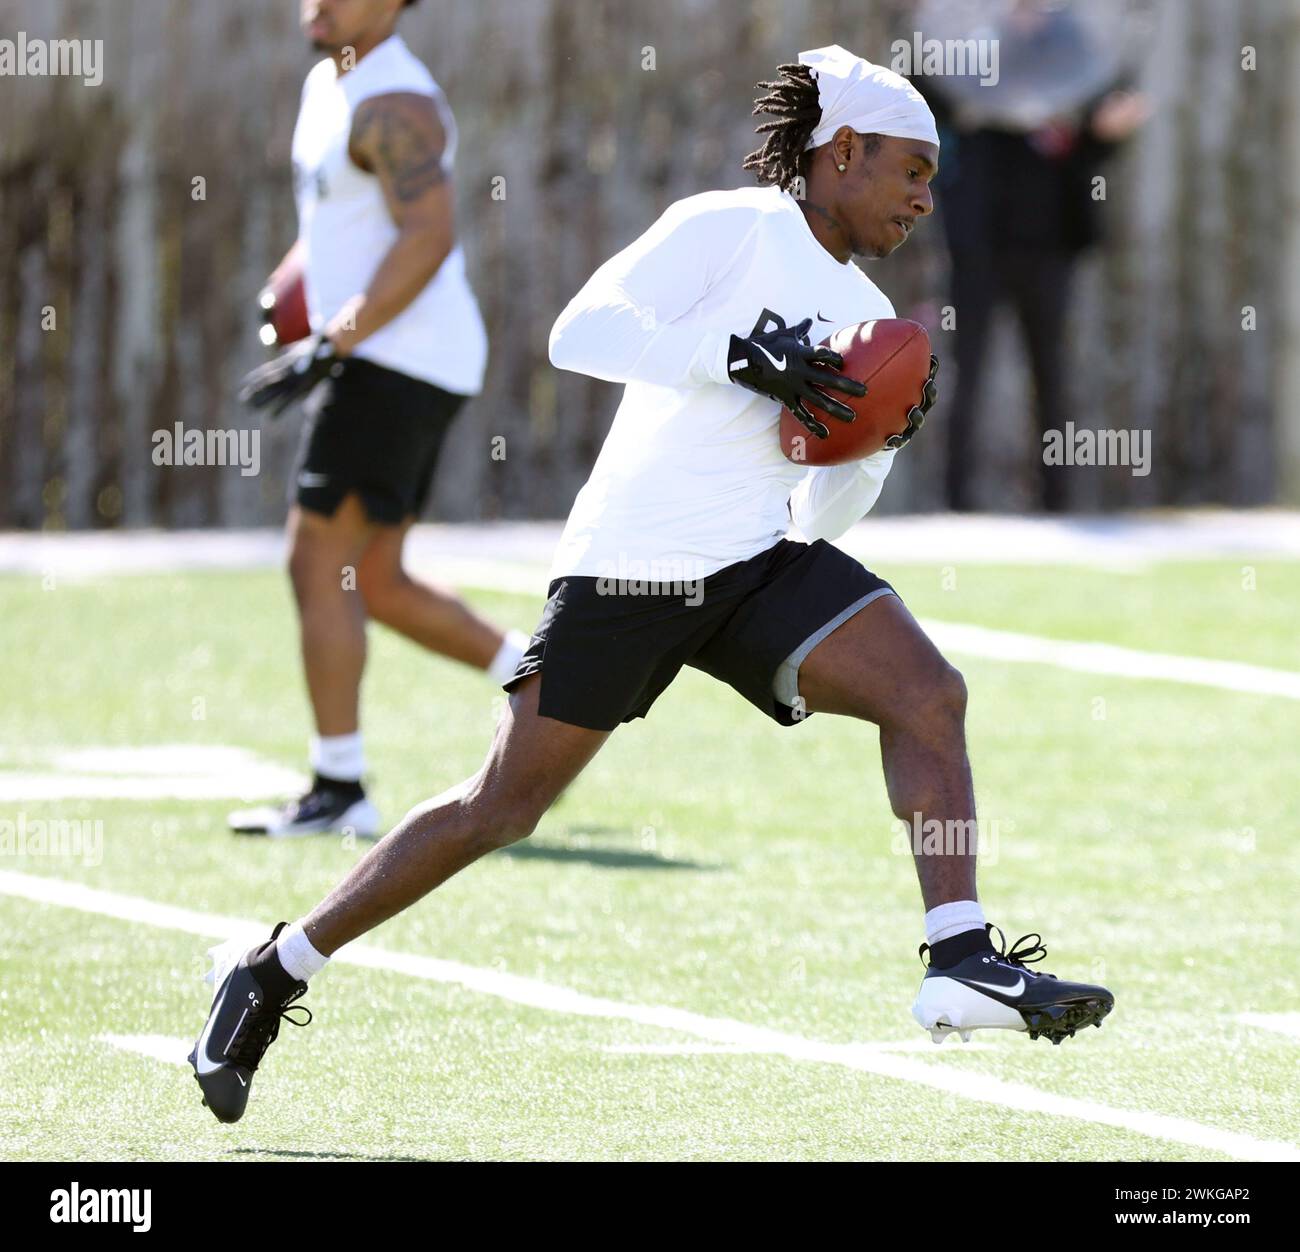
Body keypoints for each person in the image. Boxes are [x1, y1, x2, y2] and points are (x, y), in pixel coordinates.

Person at [191, 45, 1113, 1123]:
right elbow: (578, 332)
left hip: (755, 563)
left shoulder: (869, 317)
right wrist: (734, 355)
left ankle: (959, 957)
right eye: (911, 168)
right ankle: (277, 965)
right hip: (629, 566)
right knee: (501, 805)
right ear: (843, 152)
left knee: (927, 692)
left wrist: (876, 441)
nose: (925, 196)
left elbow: (819, 518)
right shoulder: (731, 224)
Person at [233, 0, 527, 838]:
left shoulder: (395, 101)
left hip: (399, 359)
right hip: (385, 353)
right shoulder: (329, 81)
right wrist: (292, 289)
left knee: (315, 556)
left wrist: (335, 339)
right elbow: (338, 222)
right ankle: (540, 677)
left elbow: (428, 236)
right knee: (380, 581)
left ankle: (339, 789)